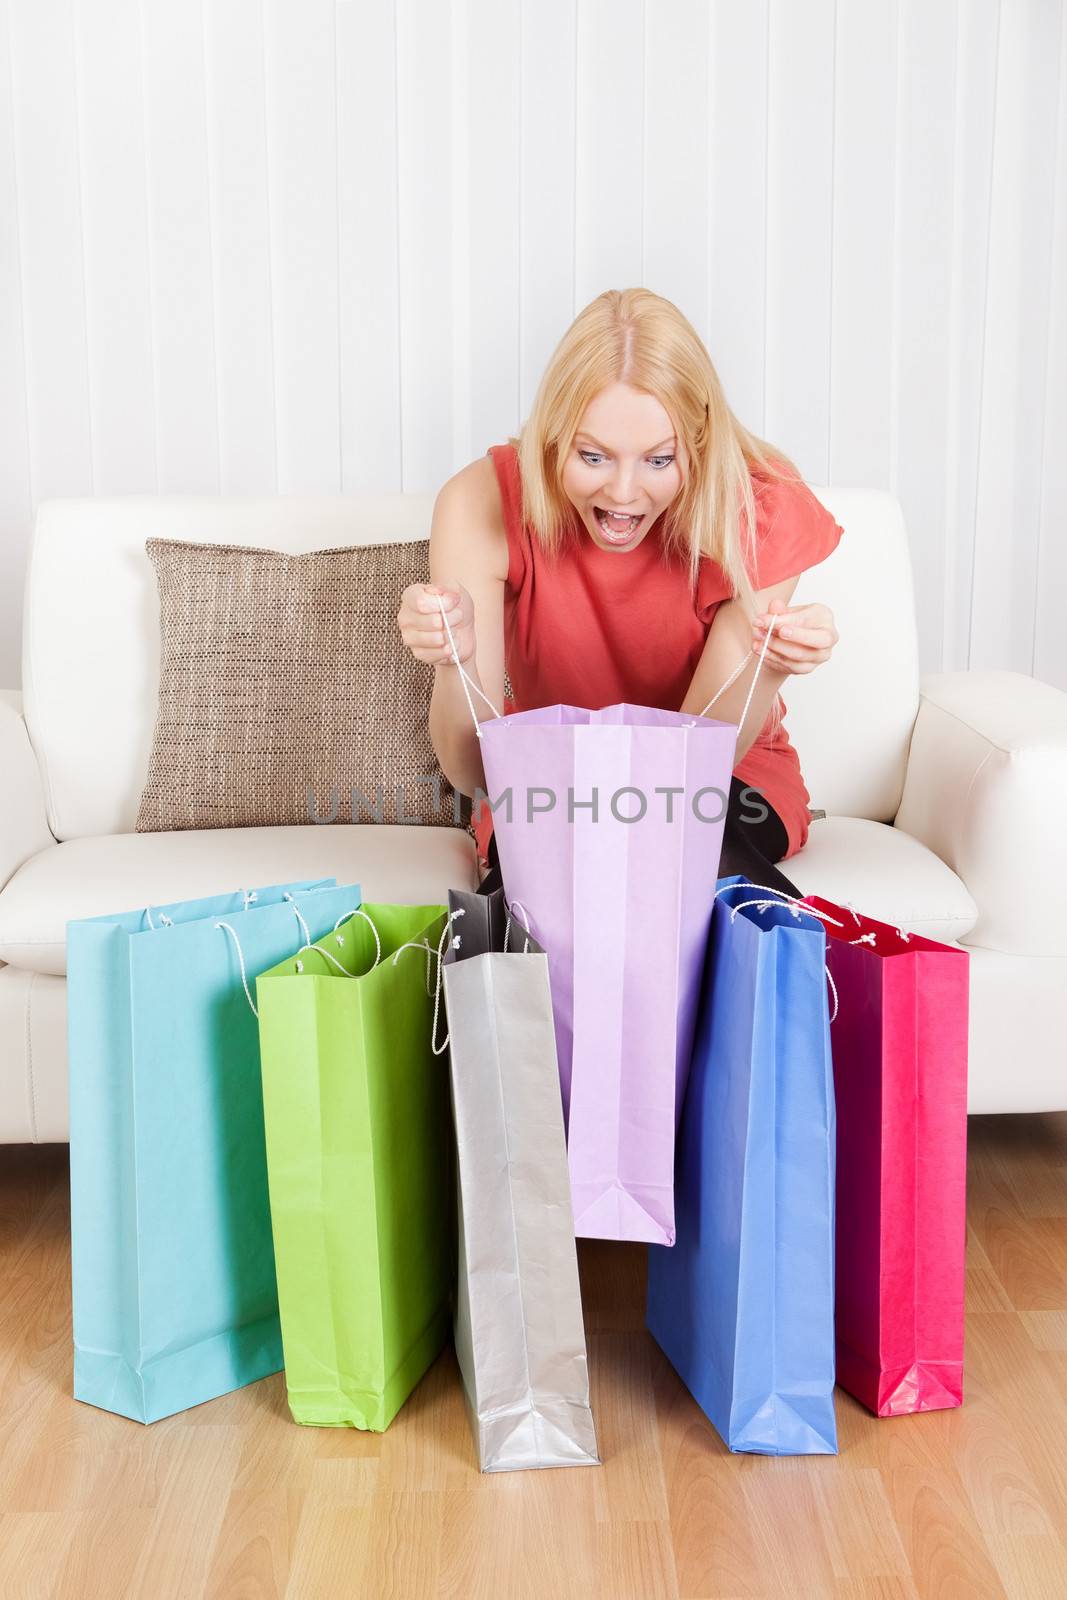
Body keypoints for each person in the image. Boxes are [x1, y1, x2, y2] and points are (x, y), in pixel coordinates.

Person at [396, 287, 842, 902]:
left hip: (721, 782)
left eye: (660, 460)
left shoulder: (758, 505)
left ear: (701, 439)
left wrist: (766, 666)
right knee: (539, 892)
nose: (624, 493)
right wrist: (455, 661)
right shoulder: (482, 503)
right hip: (547, 783)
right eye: (594, 456)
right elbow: (474, 773)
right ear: (553, 433)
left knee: (675, 856)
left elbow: (691, 772)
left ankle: (818, 987)